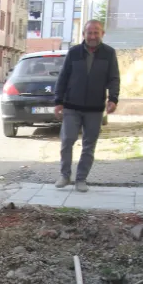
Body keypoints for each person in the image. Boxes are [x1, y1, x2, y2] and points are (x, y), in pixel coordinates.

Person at [53, 20, 121, 193]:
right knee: (67, 140)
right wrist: (58, 101)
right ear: (83, 34)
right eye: (89, 33)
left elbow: (114, 78)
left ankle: (81, 179)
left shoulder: (109, 53)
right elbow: (63, 77)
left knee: (89, 145)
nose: (92, 36)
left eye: (96, 32)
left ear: (102, 34)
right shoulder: (74, 52)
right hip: (71, 106)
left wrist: (113, 98)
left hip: (95, 108)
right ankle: (64, 175)